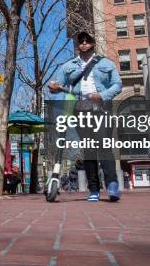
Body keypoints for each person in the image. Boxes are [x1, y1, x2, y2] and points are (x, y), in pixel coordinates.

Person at [49, 31, 123, 202]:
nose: (83, 43)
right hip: (80, 111)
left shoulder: (106, 63)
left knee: (104, 146)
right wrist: (53, 87)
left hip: (101, 110)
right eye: (80, 41)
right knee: (89, 150)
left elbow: (117, 84)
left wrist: (102, 95)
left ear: (92, 43)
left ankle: (112, 184)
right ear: (77, 45)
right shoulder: (68, 66)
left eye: (87, 40)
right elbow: (56, 85)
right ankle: (94, 189)